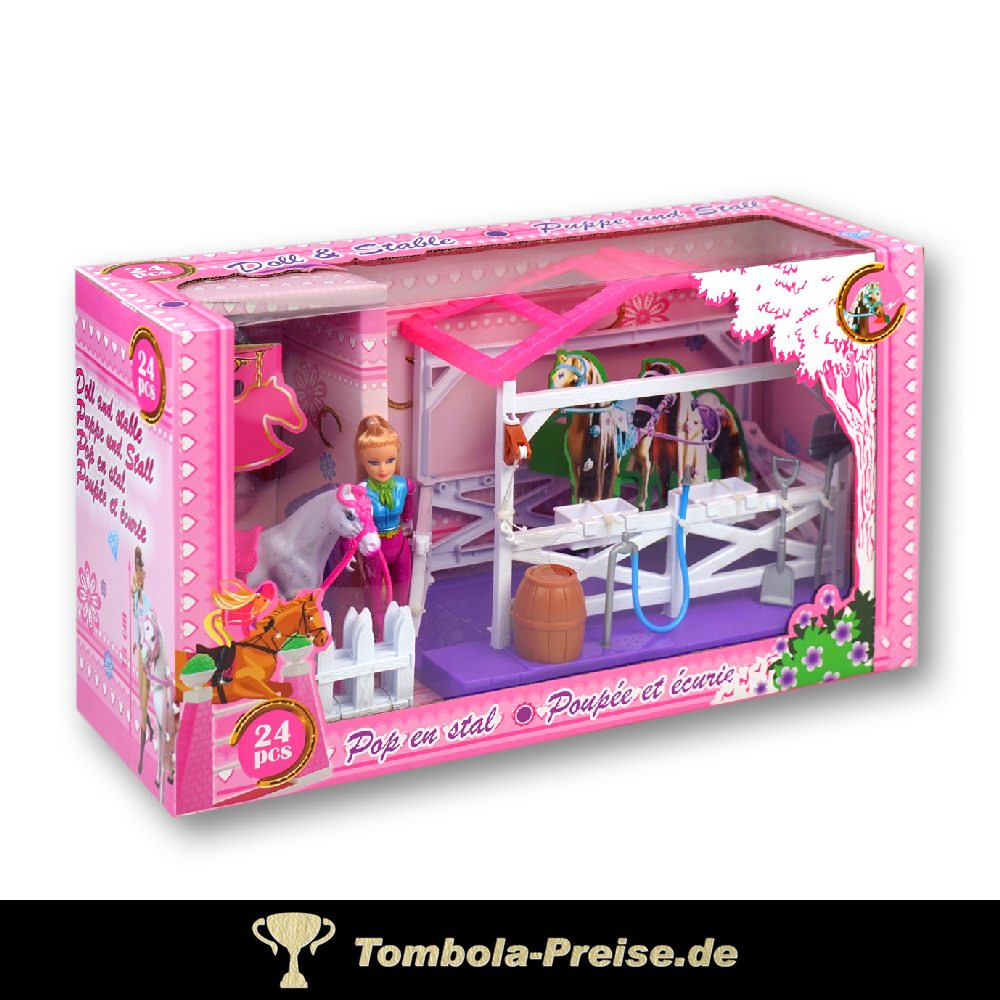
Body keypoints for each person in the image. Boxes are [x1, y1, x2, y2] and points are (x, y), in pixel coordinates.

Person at [325, 415, 413, 641]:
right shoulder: (360, 492)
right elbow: (350, 523)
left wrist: (408, 517)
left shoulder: (403, 484)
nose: (383, 468)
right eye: (374, 462)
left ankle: (401, 633)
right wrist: (348, 549)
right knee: (374, 598)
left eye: (390, 460)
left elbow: (410, 496)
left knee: (403, 592)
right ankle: (379, 635)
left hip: (399, 544)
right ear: (363, 461)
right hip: (375, 549)